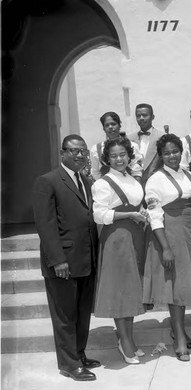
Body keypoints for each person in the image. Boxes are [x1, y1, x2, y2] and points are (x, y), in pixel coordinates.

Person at [32, 134, 100, 381]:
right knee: (64, 316)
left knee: (82, 313)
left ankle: (79, 354)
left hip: (85, 259)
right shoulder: (48, 181)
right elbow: (46, 225)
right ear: (62, 153)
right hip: (63, 263)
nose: (80, 155)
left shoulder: (85, 180)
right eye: (74, 151)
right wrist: (58, 260)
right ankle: (69, 364)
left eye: (83, 150)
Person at [143, 133, 191, 362]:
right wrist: (165, 247)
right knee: (175, 287)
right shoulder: (155, 180)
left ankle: (181, 331)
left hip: (189, 230)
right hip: (170, 233)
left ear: (182, 151)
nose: (172, 156)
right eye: (166, 153)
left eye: (175, 151)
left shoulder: (188, 173)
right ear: (160, 156)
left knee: (184, 285)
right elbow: (154, 214)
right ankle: (178, 338)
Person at [92, 137, 148, 365]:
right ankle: (124, 343)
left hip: (135, 235)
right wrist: (129, 215)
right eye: (113, 156)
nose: (118, 159)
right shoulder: (103, 183)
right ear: (107, 159)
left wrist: (142, 211)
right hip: (117, 238)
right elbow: (99, 215)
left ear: (129, 156)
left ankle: (130, 340)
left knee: (132, 289)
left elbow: (136, 203)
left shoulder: (132, 179)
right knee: (120, 290)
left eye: (122, 155)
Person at [89, 112, 143, 181]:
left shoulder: (132, 146)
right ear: (104, 128)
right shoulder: (96, 149)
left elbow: (137, 171)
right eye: (107, 125)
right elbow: (95, 172)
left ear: (119, 126)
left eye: (113, 124)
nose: (110, 127)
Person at [128, 103, 164, 183]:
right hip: (134, 183)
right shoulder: (129, 139)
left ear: (152, 117)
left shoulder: (162, 137)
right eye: (138, 116)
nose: (141, 118)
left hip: (156, 183)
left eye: (144, 115)